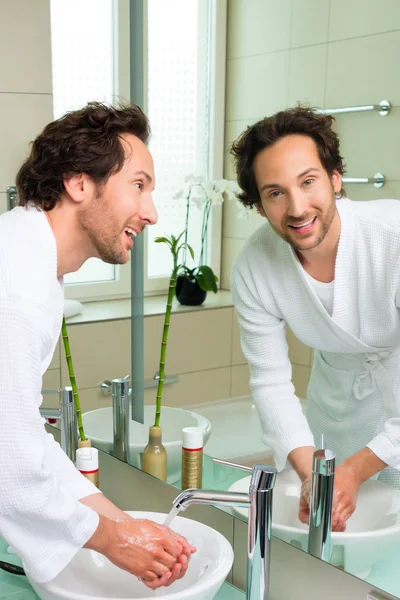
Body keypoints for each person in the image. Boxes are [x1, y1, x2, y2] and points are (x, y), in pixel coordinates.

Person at [0, 102, 195, 588]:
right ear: (79, 182)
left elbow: (20, 436)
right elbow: (9, 457)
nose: (150, 213)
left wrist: (125, 528)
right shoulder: (17, 289)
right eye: (139, 185)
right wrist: (111, 539)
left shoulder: (30, 261)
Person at [229, 105, 400, 532]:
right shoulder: (255, 266)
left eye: (308, 182)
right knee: (337, 553)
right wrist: (313, 474)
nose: (297, 207)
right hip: (335, 417)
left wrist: (358, 469)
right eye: (275, 193)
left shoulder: (393, 240)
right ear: (259, 205)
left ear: (335, 179)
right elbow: (269, 381)